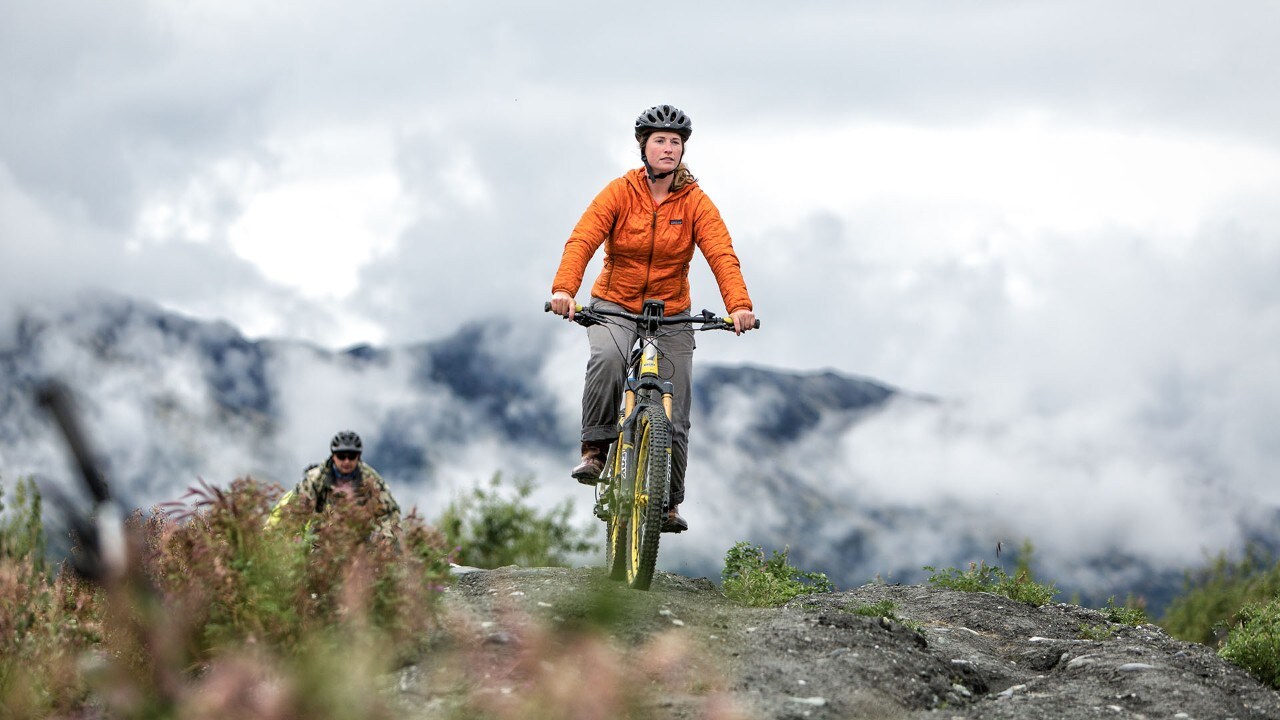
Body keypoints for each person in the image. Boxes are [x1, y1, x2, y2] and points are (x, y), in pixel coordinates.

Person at [548, 104, 756, 534]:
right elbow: (583, 238)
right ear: (643, 146)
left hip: (671, 313)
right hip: (615, 304)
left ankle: (668, 503)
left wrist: (739, 305)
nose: (668, 148)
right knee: (606, 359)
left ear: (683, 151)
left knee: (675, 411)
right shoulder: (619, 192)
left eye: (675, 142)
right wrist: (565, 290)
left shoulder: (696, 202)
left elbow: (721, 253)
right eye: (659, 140)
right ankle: (596, 450)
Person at [272, 430, 402, 542]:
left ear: (358, 456)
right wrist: (288, 540)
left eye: (351, 456)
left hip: (360, 541)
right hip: (322, 540)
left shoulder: (372, 480)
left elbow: (389, 512)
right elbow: (296, 509)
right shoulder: (316, 478)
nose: (346, 461)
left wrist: (385, 539)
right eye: (341, 456)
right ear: (333, 456)